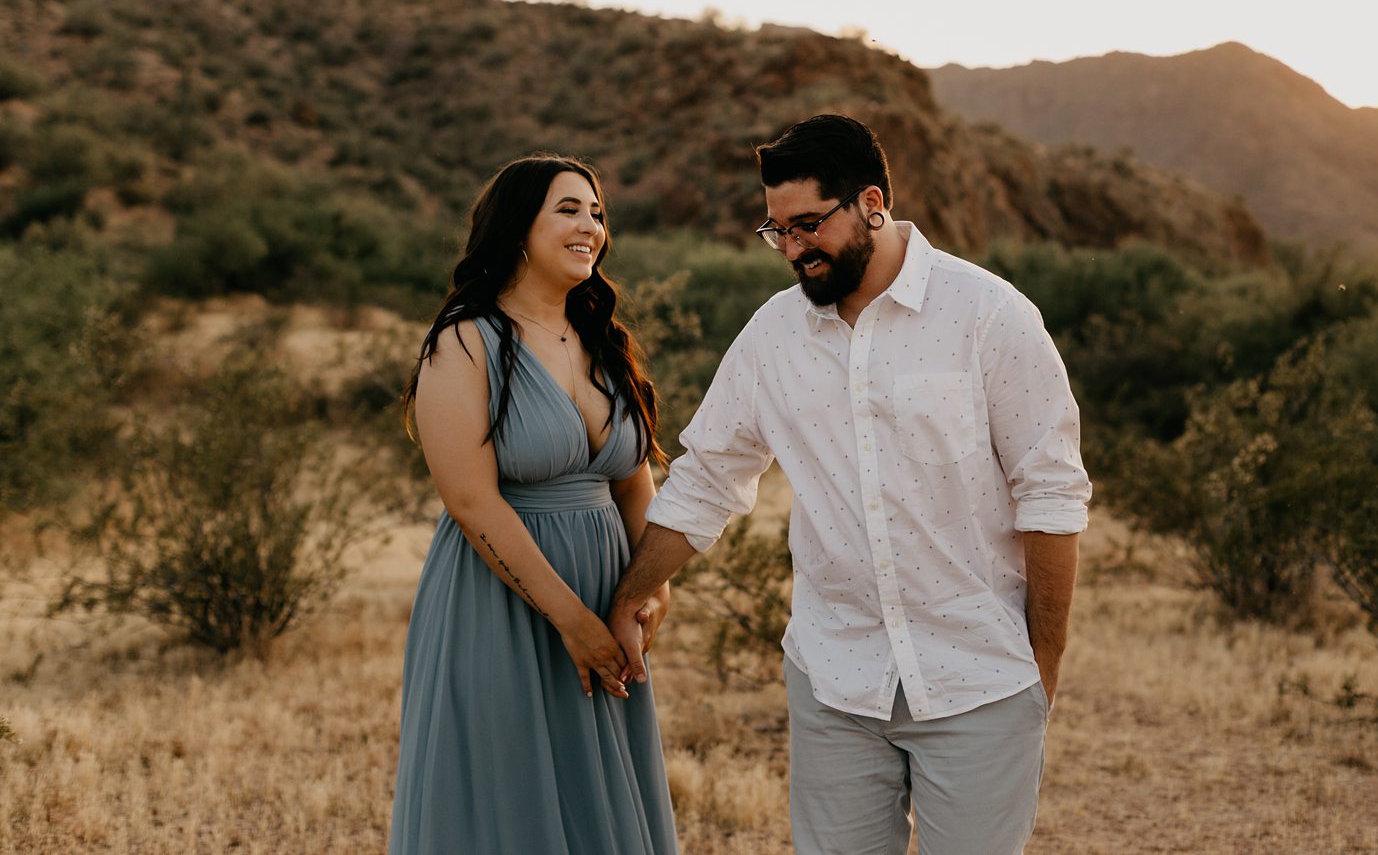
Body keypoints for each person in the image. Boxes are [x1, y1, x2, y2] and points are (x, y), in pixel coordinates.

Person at [608, 114, 1090, 855]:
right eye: (777, 232)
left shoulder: (990, 316)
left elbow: (1051, 497)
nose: (794, 248)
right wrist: (629, 593)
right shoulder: (773, 336)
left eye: (807, 224)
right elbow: (707, 478)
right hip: (834, 679)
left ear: (871, 202)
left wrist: (1040, 672)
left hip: (980, 678)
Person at [390, 155, 677, 855]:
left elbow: (633, 478)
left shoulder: (602, 340)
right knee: (509, 798)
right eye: (569, 209)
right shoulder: (464, 341)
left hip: (604, 590)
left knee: (598, 796)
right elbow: (471, 501)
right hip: (502, 600)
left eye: (597, 213)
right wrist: (570, 619)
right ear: (519, 228)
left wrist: (646, 591)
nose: (591, 226)